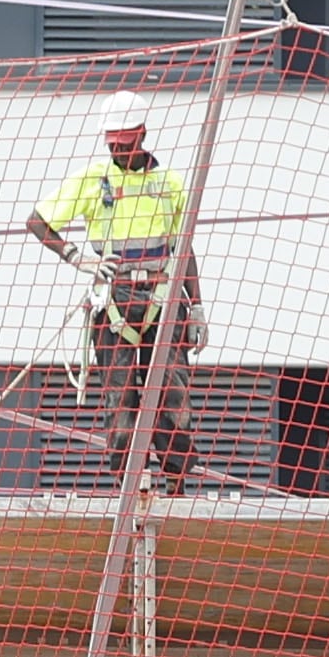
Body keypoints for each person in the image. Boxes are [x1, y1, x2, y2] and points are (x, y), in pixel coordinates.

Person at [26, 89, 206, 488]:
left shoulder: (169, 184)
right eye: (113, 145)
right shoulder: (93, 180)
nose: (119, 152)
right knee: (119, 394)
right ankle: (128, 485)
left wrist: (196, 307)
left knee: (171, 390)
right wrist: (77, 257)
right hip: (116, 298)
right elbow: (37, 221)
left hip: (162, 294)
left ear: (142, 134)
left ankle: (175, 483)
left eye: (125, 144)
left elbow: (183, 246)